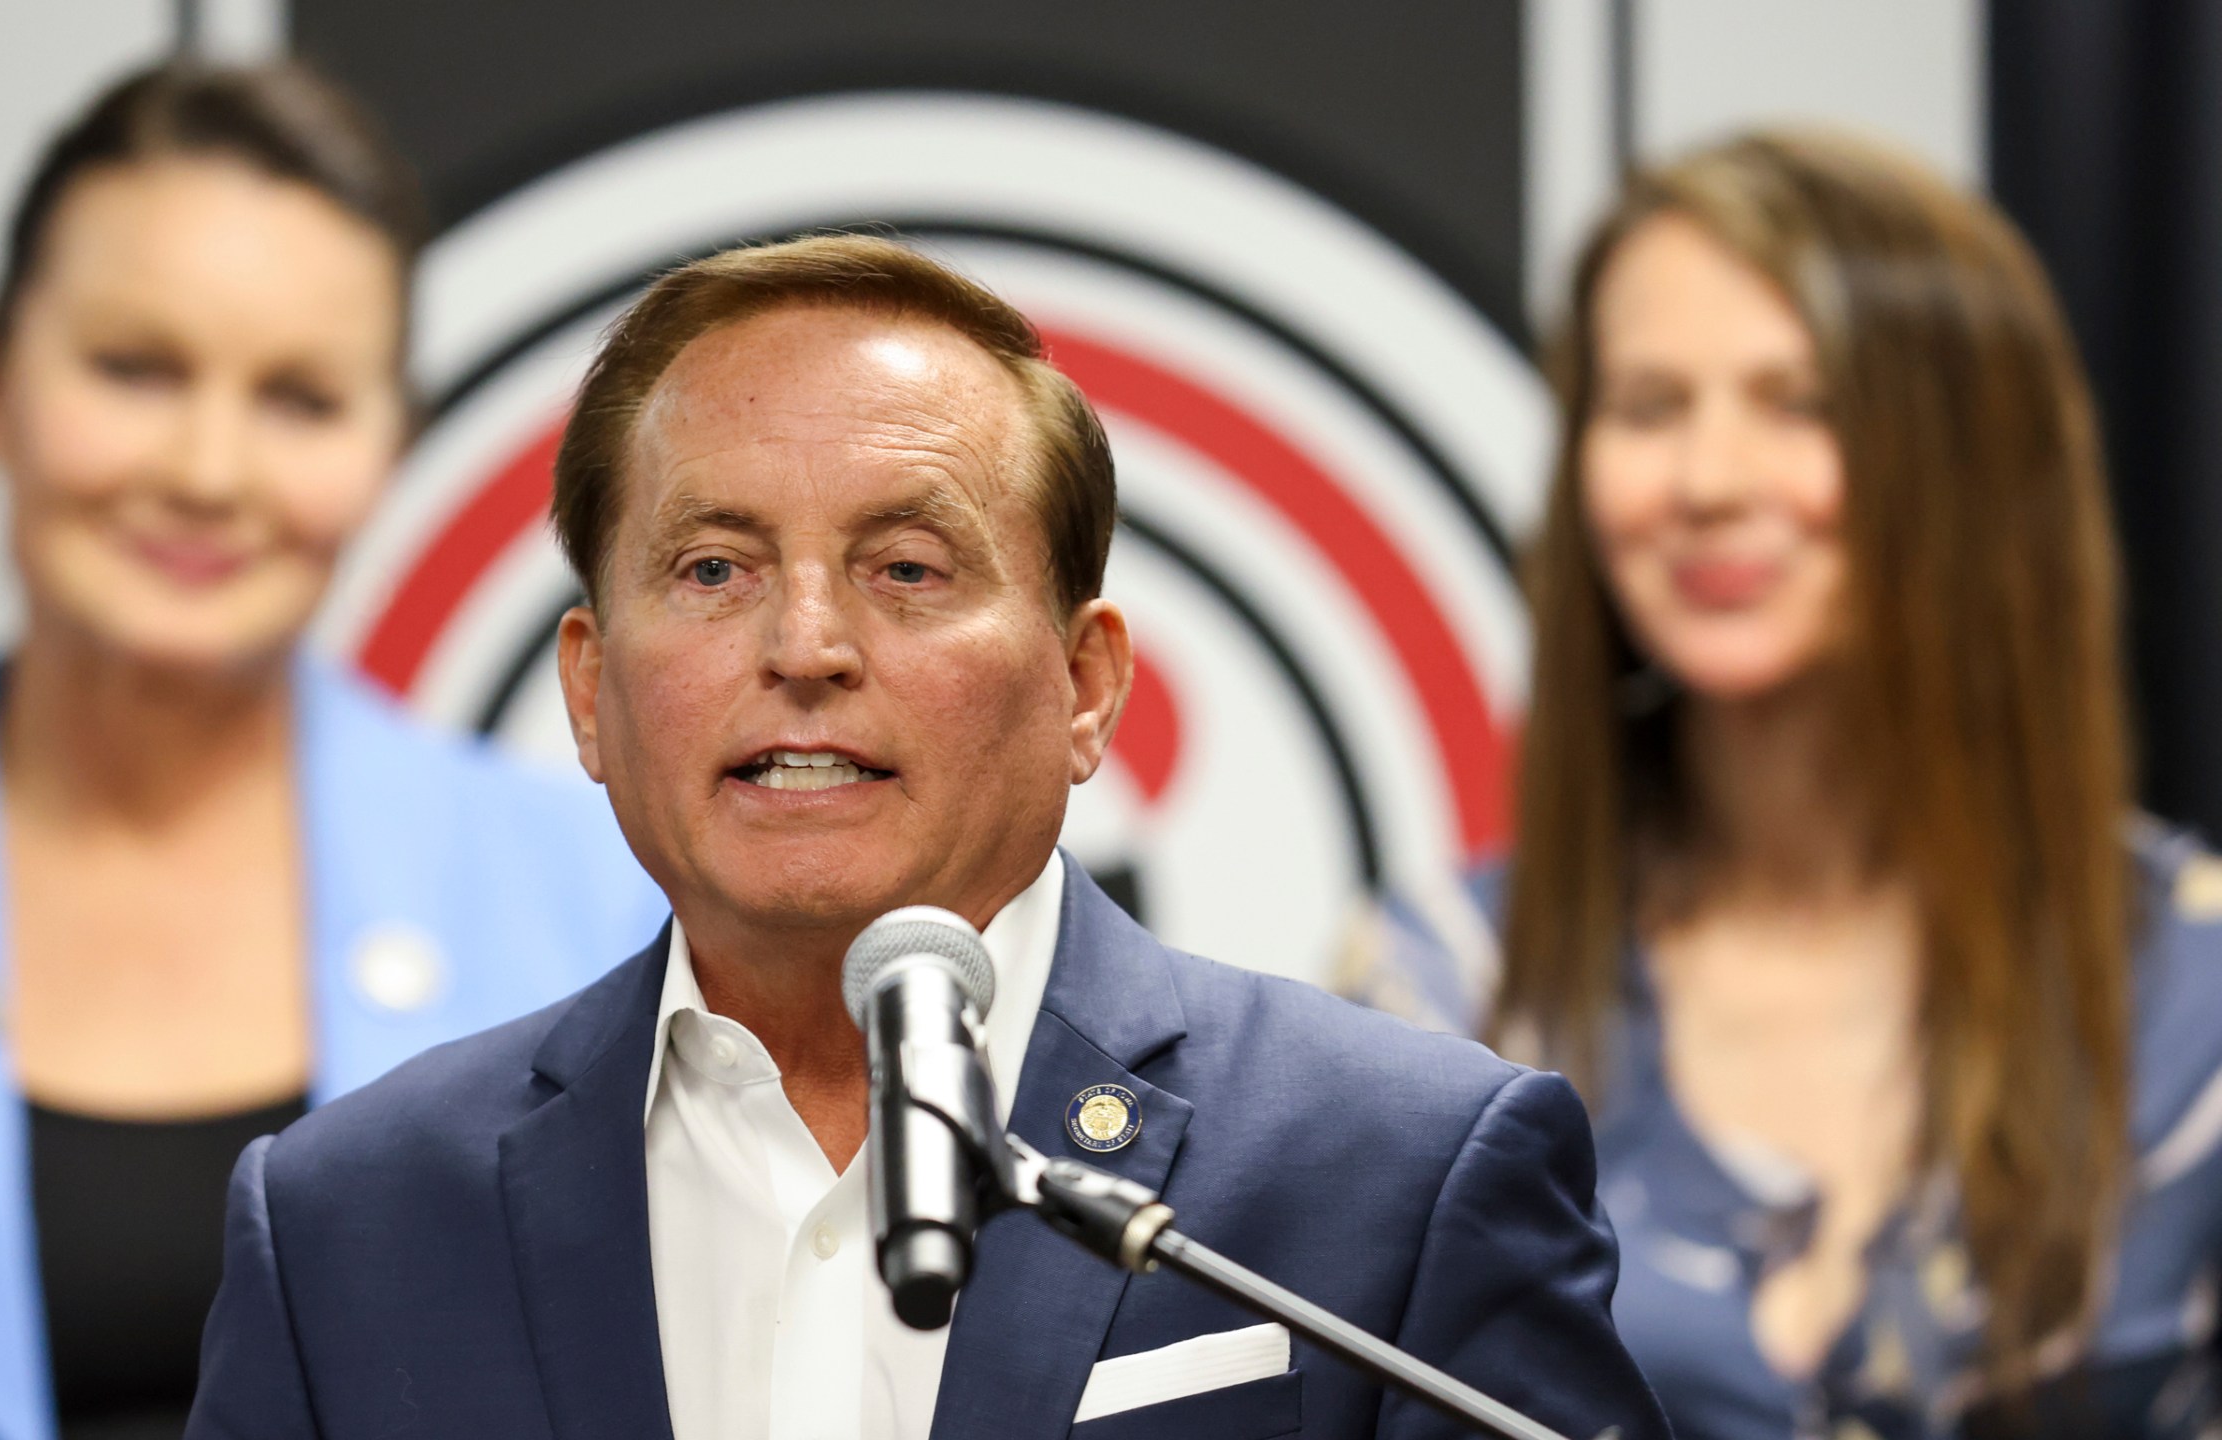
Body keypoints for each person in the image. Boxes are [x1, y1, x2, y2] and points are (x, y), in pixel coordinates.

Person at [184, 234, 1670, 1440]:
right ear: (589, 689)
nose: (809, 643)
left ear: (1086, 687)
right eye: (713, 568)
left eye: (907, 567)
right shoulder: (346, 1231)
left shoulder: (1397, 1174)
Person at [0, 61, 664, 1440]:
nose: (206, 469)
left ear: (392, 446)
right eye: (136, 369)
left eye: (300, 399)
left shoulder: (608, 899)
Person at [1361, 130, 2222, 1437]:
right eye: (1650, 408)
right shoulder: (1441, 990)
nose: (1707, 483)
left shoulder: (2198, 993)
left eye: (1800, 403)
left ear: (1973, 462)